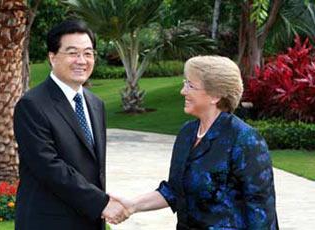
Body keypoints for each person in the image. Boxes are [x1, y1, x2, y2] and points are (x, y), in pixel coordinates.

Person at [112, 56, 279, 229]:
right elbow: (174, 190)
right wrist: (132, 205)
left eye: (190, 85)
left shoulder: (245, 140)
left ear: (215, 95)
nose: (183, 91)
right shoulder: (187, 133)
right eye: (185, 83)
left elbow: (262, 215)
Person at [13, 20, 128, 230]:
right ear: (52, 57)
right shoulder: (32, 105)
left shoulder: (95, 104)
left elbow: (92, 167)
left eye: (88, 53)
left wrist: (99, 204)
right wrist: (101, 203)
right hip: (49, 222)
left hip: (89, 220)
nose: (81, 60)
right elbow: (49, 167)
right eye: (73, 52)